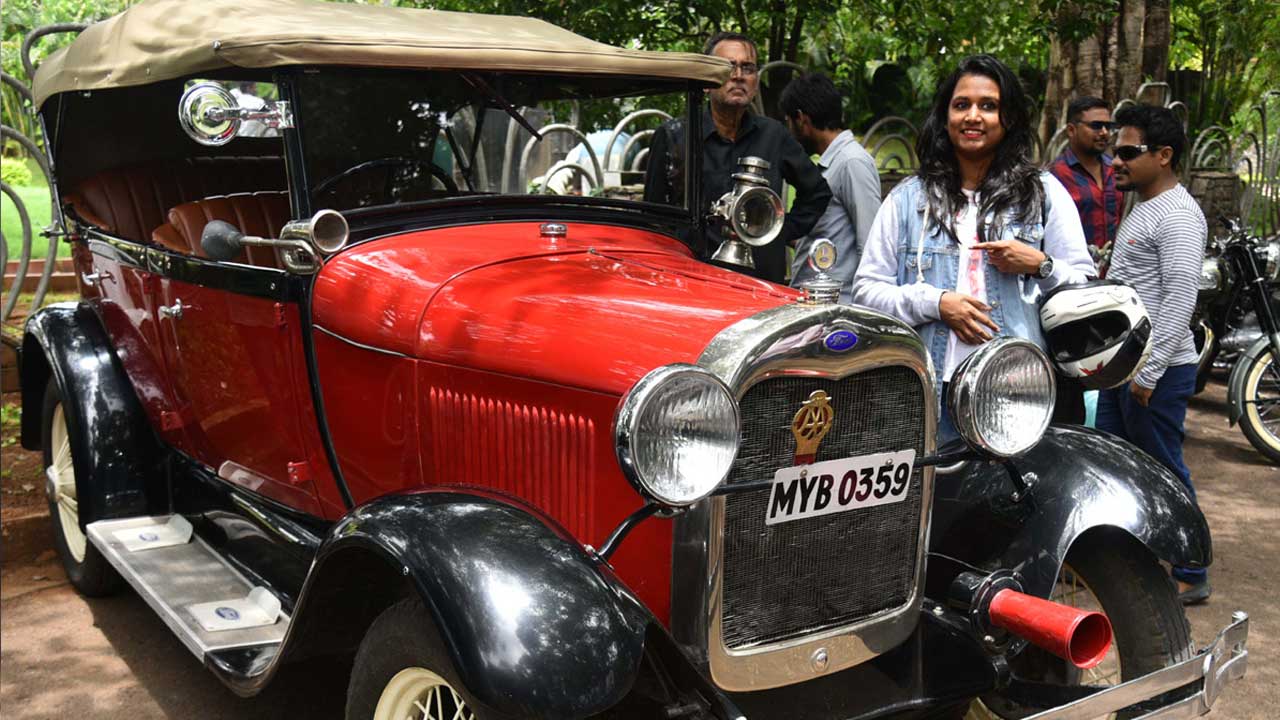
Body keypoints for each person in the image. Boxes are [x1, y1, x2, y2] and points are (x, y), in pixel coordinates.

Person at [851, 55, 1095, 441]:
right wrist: (935, 302)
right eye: (961, 105)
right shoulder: (907, 199)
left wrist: (1039, 265)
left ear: (1008, 118)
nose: (973, 116)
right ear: (945, 116)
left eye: (988, 106)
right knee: (932, 498)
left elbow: (1083, 289)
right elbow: (865, 292)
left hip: (1016, 392)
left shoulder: (1044, 194)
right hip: (929, 389)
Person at [1095, 104, 1210, 604]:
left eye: (1126, 152)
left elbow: (1181, 297)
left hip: (1156, 371)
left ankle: (1192, 568)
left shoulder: (1181, 216)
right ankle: (1129, 560)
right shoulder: (1143, 205)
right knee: (1114, 462)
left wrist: (1151, 371)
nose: (1115, 161)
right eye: (1114, 151)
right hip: (1123, 368)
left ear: (1163, 155)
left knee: (1162, 468)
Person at [643, 32, 831, 283]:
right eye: (728, 67)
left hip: (761, 283)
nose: (739, 75)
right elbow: (652, 221)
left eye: (748, 67)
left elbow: (817, 193)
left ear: (755, 82)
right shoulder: (675, 137)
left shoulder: (774, 135)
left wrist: (776, 232)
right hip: (696, 282)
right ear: (707, 81)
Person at [1047, 96, 1122, 425]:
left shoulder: (1115, 170)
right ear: (1072, 129)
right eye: (1096, 125)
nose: (1104, 132)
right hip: (1070, 285)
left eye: (1109, 126)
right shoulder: (1055, 177)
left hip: (1106, 282)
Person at [779, 72, 882, 302]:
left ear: (801, 119)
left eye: (788, 122)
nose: (789, 132)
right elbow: (831, 234)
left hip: (838, 309)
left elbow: (872, 245)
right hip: (815, 303)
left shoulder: (852, 162)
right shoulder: (830, 163)